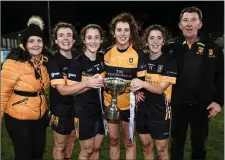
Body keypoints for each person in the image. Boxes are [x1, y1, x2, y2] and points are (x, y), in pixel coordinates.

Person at [164, 6, 224, 160]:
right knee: (176, 145)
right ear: (180, 25)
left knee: (199, 146)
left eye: (193, 20)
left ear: (200, 24)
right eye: (185, 20)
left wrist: (218, 102)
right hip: (177, 105)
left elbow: (221, 76)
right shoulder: (171, 47)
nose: (189, 24)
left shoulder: (213, 48)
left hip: (202, 106)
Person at [1, 16, 50, 160]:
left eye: (39, 40)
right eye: (31, 41)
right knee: (24, 154)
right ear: (25, 43)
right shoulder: (13, 63)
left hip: (40, 117)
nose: (36, 44)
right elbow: (2, 94)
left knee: (38, 153)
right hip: (18, 118)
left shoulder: (44, 62)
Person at [130, 24, 177, 160]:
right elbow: (135, 80)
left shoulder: (169, 61)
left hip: (160, 111)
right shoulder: (141, 59)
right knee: (146, 147)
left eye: (159, 38)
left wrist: (143, 84)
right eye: (152, 38)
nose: (155, 42)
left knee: (162, 150)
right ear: (147, 41)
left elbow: (161, 88)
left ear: (163, 41)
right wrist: (136, 90)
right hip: (143, 109)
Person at [103, 12, 146, 160]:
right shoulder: (105, 54)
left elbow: (141, 81)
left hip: (129, 106)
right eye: (119, 30)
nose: (122, 33)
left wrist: (139, 89)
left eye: (126, 30)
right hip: (110, 104)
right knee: (113, 140)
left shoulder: (138, 55)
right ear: (113, 33)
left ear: (131, 32)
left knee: (129, 143)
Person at [66, 24, 106, 160]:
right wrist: (87, 83)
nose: (93, 41)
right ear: (84, 40)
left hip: (101, 111)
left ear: (101, 40)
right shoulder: (76, 63)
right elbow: (70, 91)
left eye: (96, 37)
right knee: (87, 150)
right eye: (89, 37)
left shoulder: (103, 59)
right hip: (83, 113)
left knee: (96, 147)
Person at [46, 22, 79, 160]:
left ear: (74, 40)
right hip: (60, 109)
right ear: (56, 40)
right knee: (60, 145)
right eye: (61, 35)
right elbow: (63, 91)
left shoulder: (80, 58)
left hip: (77, 108)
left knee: (72, 139)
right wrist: (88, 83)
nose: (65, 38)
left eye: (69, 35)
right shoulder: (53, 61)